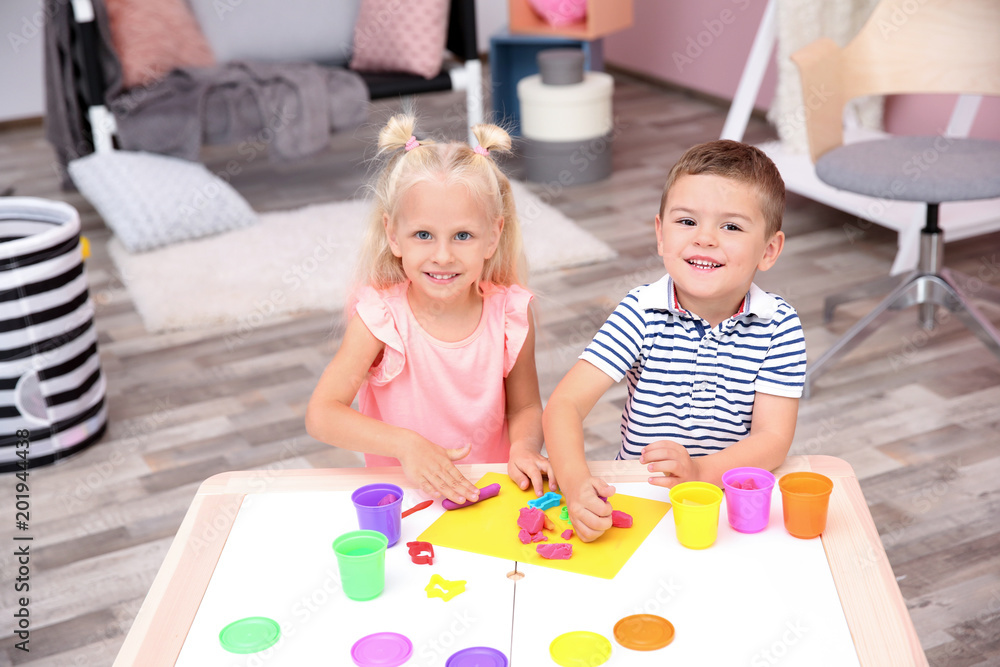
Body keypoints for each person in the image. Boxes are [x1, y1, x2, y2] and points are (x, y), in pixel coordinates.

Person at [543, 140, 806, 541]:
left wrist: (700, 472)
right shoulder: (640, 312)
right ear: (661, 235)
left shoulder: (779, 326)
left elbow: (773, 439)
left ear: (769, 250)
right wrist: (576, 484)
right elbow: (564, 405)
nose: (705, 238)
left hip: (726, 504)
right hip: (640, 498)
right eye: (686, 221)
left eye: (731, 226)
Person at [306, 115, 555, 505]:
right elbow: (322, 414)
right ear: (393, 235)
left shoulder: (511, 314)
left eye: (462, 235)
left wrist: (524, 448)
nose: (442, 255)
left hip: (491, 497)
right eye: (423, 235)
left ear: (493, 236)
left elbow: (524, 405)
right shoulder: (380, 320)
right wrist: (406, 445)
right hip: (405, 503)